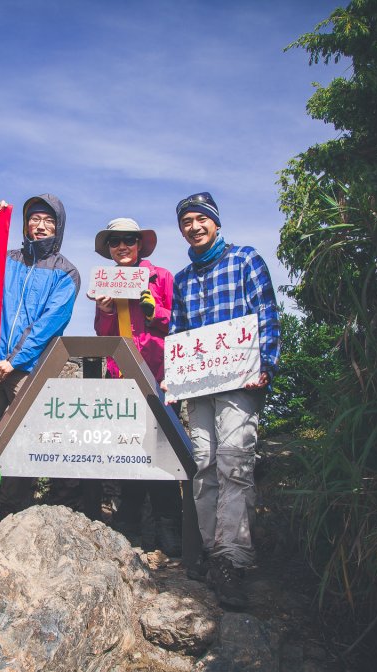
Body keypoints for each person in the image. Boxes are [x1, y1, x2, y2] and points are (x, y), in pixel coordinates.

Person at [169, 191, 279, 608]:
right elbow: (178, 332)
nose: (193, 227)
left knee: (235, 461)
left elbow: (266, 312)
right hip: (198, 388)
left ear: (215, 222)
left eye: (200, 219)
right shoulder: (182, 279)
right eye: (186, 222)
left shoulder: (245, 259)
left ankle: (232, 559)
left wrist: (265, 362)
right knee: (204, 466)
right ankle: (213, 553)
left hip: (241, 383)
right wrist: (174, 380)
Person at [0, 194, 80, 517]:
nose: (40, 226)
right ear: (26, 224)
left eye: (49, 221)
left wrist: (13, 359)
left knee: (24, 435)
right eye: (34, 219)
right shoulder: (6, 259)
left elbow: (48, 325)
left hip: (26, 368)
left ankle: (14, 508)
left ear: (59, 227)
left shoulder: (67, 273)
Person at [89, 218, 180, 555]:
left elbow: (180, 323)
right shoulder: (105, 284)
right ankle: (129, 524)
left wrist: (155, 311)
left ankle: (168, 524)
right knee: (128, 447)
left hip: (160, 377)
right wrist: (105, 310)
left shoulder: (164, 277)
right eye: (115, 241)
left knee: (164, 450)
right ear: (109, 249)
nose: (122, 246)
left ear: (140, 244)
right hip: (121, 378)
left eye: (129, 239)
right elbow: (102, 333)